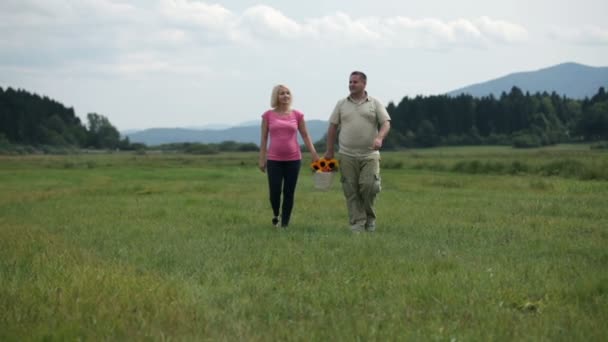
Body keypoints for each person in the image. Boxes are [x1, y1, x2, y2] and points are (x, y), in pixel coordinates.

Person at [324, 71, 391, 233]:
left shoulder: (375, 103)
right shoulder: (341, 104)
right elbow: (333, 127)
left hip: (370, 154)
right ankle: (357, 224)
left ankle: (370, 219)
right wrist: (330, 151)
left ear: (364, 84)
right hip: (346, 154)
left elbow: (386, 123)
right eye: (350, 82)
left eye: (355, 82)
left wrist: (380, 138)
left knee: (369, 186)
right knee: (351, 190)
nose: (351, 85)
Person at [259, 84, 320, 229]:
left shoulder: (297, 115)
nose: (285, 96)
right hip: (274, 159)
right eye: (281, 93)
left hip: (293, 160)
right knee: (274, 192)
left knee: (289, 192)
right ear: (276, 97)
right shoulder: (268, 115)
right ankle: (276, 214)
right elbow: (263, 139)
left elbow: (305, 135)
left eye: (287, 93)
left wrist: (314, 154)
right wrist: (262, 158)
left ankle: (284, 224)